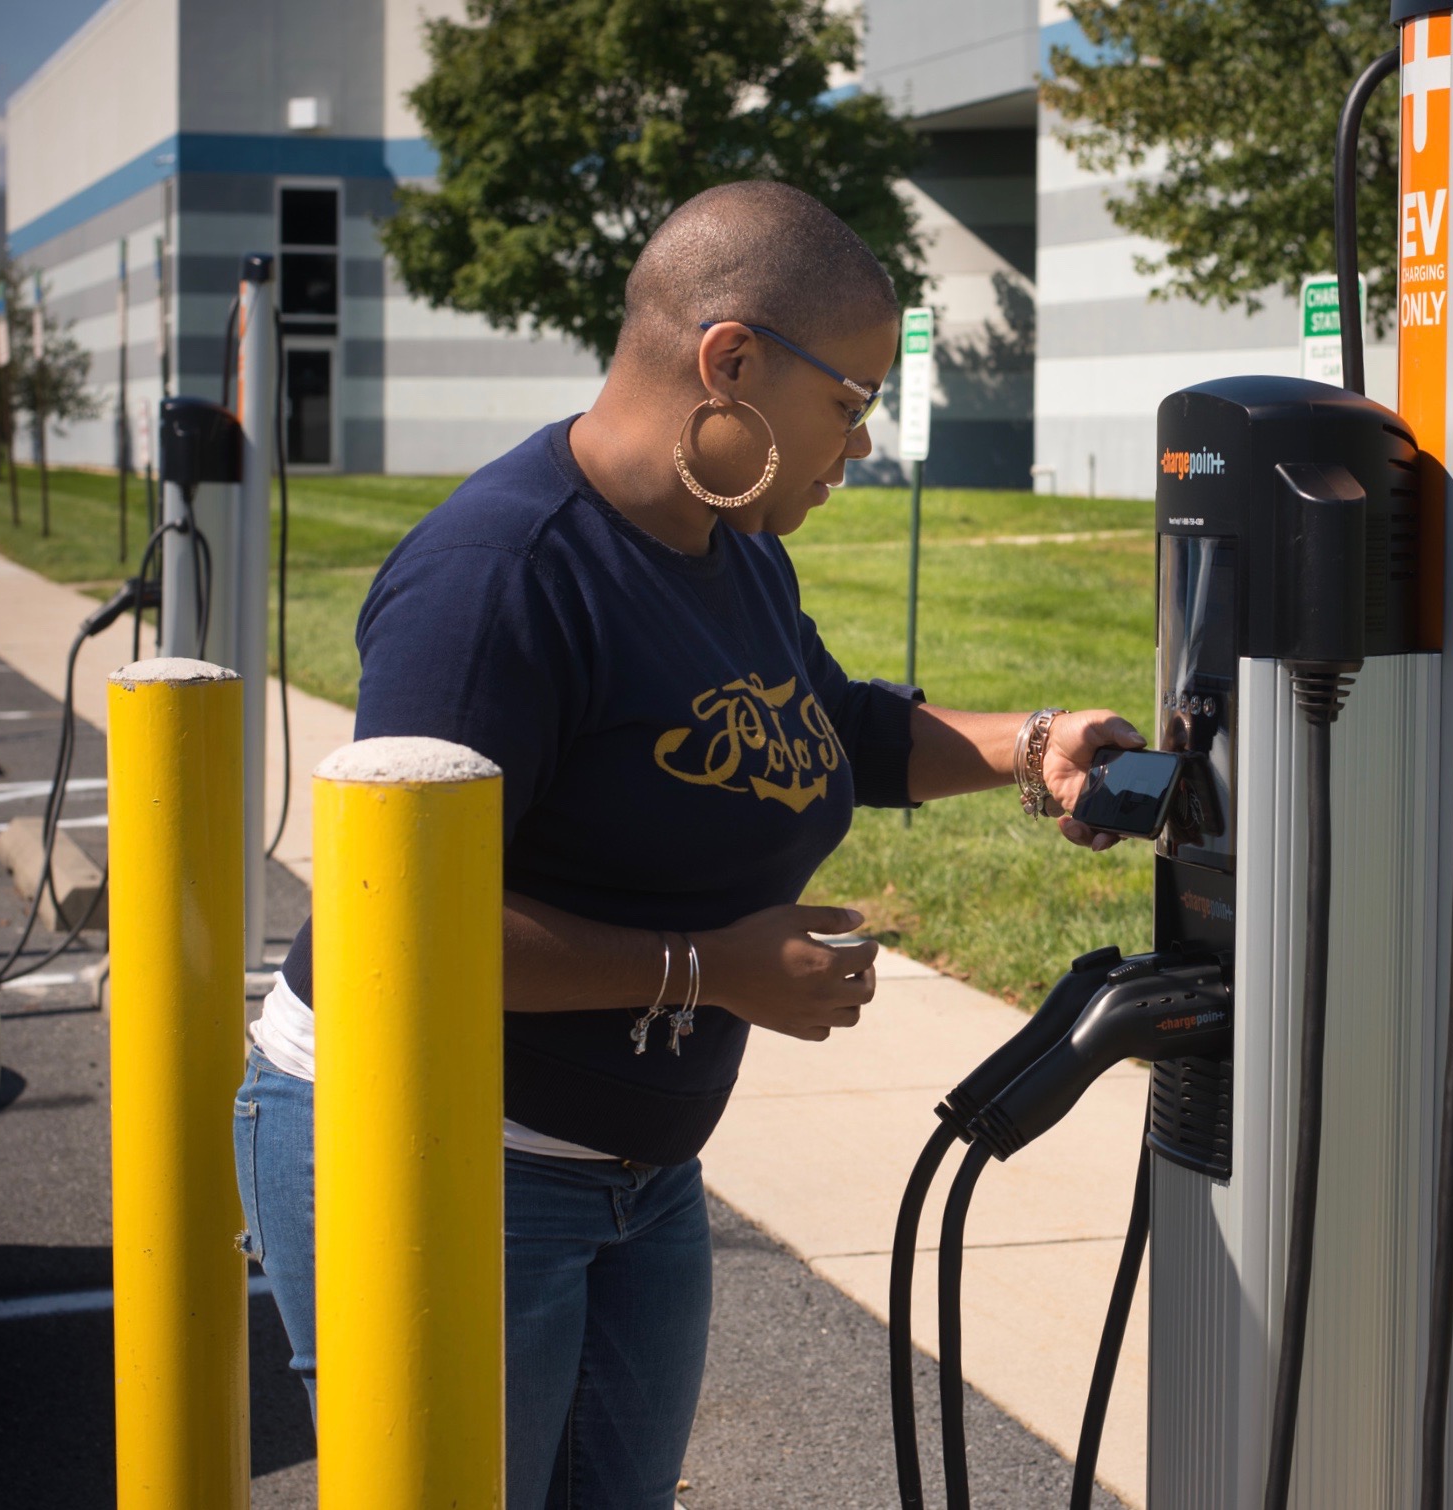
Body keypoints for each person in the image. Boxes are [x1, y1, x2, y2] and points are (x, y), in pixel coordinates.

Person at [233, 181, 1141, 1508]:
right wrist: (707, 969)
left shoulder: (724, 544)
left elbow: (828, 725)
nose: (860, 443)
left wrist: (1027, 741)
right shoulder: (497, 578)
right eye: (847, 401)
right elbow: (409, 930)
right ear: (730, 361)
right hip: (430, 1157)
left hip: (633, 1177)